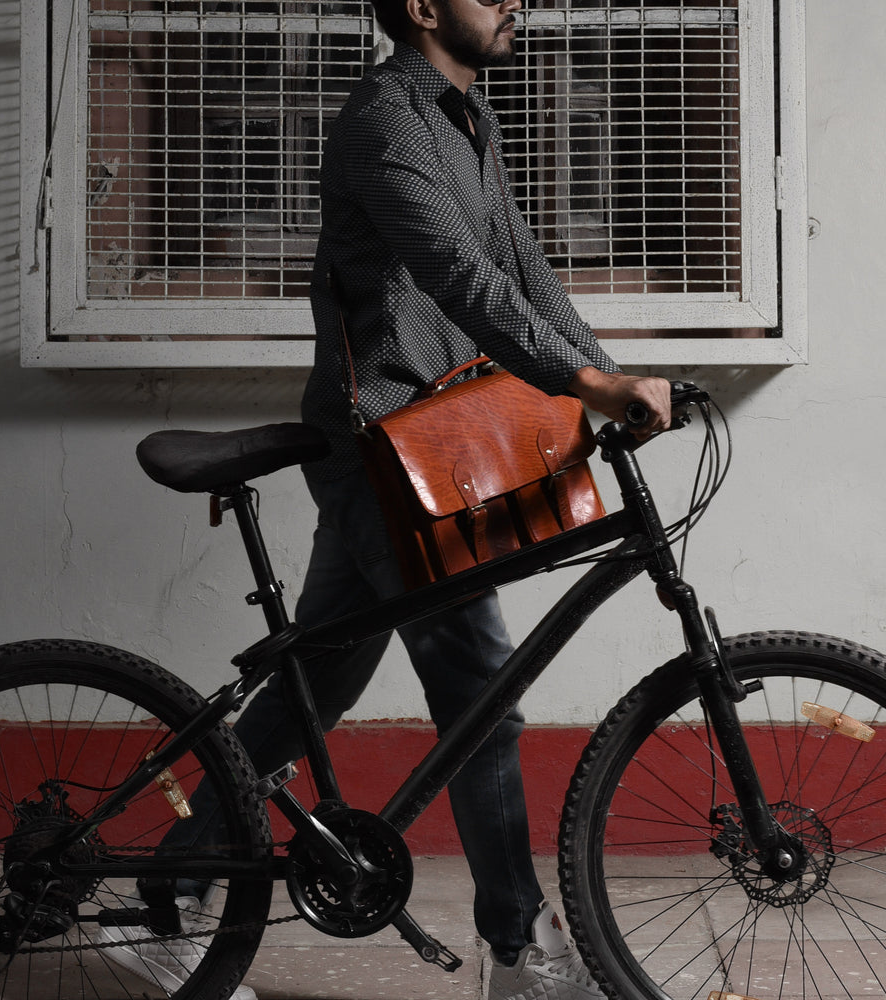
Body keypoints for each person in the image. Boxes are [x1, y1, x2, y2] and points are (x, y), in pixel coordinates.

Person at [101, 0, 672, 997]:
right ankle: (519, 950)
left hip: (428, 444)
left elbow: (523, 271)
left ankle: (166, 902)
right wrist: (585, 388)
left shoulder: (466, 116)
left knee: (315, 686)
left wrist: (611, 376)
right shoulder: (382, 118)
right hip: (389, 453)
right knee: (482, 694)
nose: (513, 2)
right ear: (418, 6)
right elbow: (457, 274)